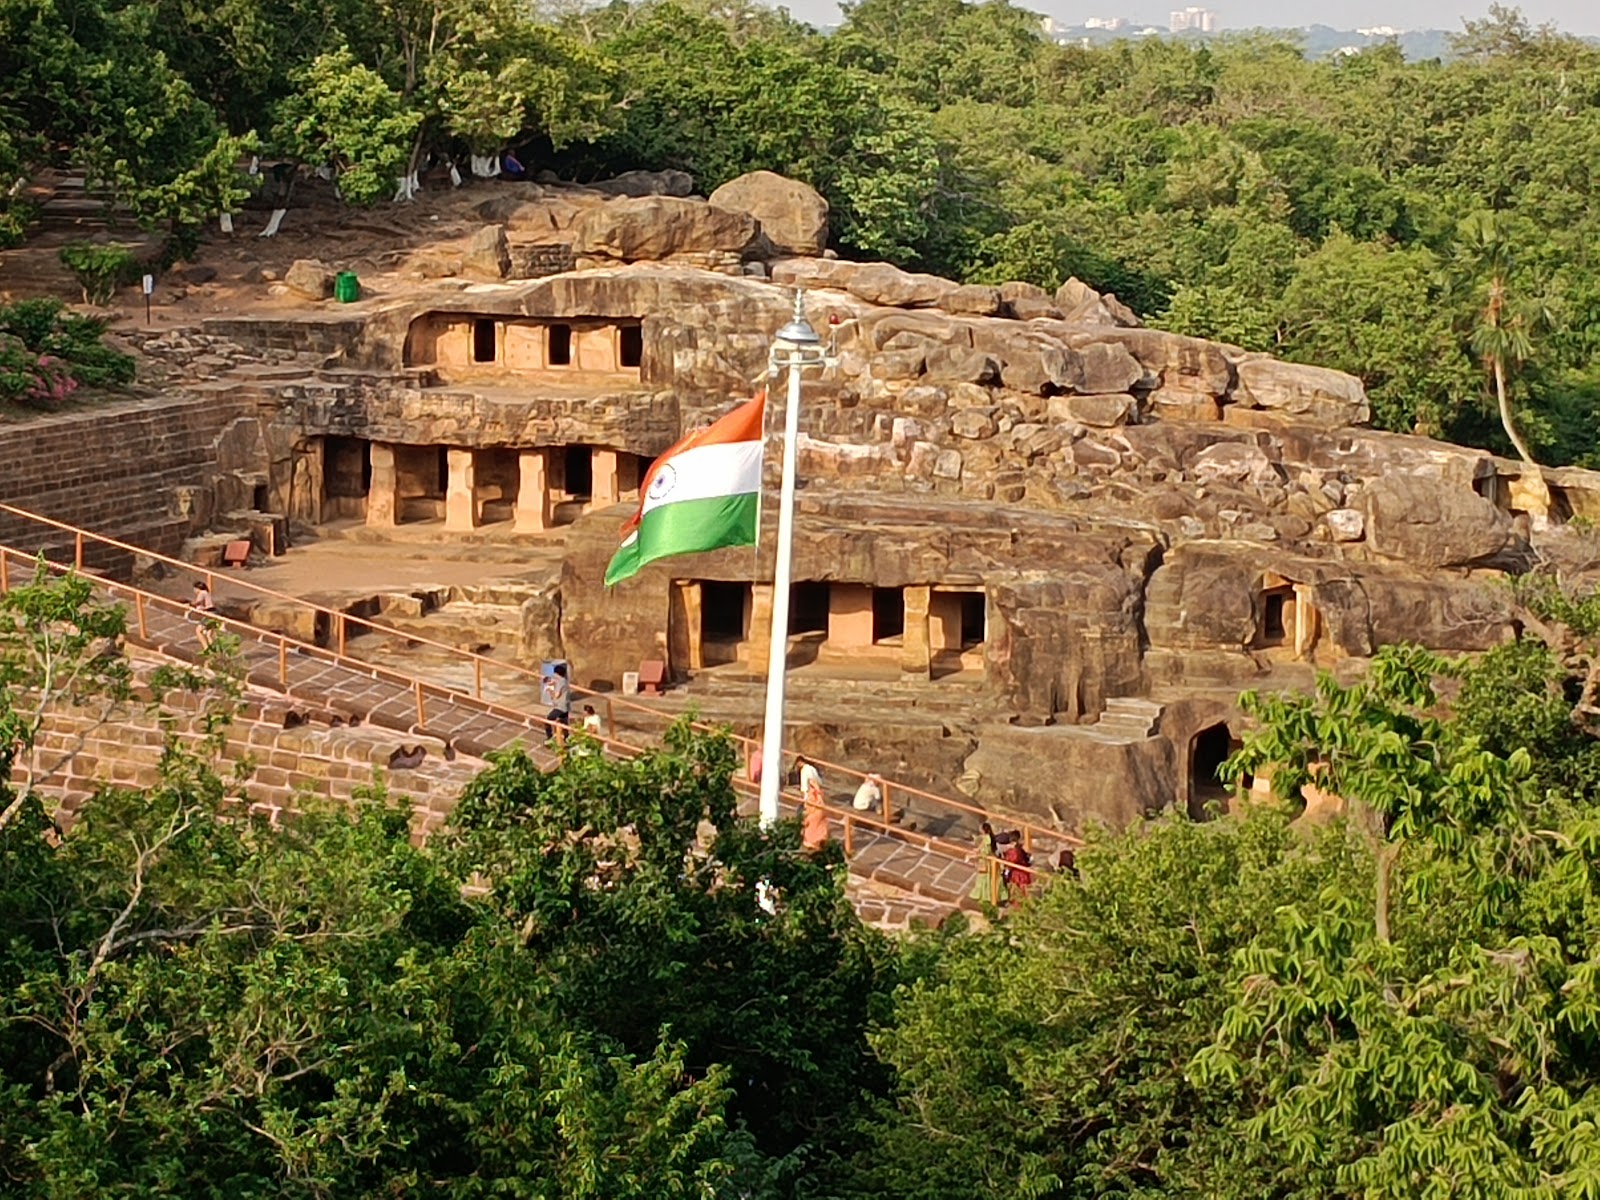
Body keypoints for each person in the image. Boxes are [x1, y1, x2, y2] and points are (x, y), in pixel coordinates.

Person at [797, 756, 829, 850]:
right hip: (817, 798)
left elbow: (804, 787)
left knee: (802, 816)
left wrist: (804, 796)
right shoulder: (812, 769)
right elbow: (819, 781)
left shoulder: (805, 770)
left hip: (810, 799)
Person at [970, 820, 1001, 906]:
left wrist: (977, 855)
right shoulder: (987, 838)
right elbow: (981, 847)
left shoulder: (987, 839)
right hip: (985, 860)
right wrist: (977, 850)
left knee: (984, 879)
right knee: (982, 878)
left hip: (986, 862)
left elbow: (986, 852)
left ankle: (985, 896)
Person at [542, 662, 571, 744]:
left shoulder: (561, 682)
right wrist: (548, 681)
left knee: (548, 720)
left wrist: (550, 691)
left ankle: (550, 737)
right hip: (565, 706)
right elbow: (553, 681)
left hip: (560, 707)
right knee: (564, 722)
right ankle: (567, 737)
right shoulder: (563, 680)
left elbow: (557, 695)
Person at [186, 579, 216, 650]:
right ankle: (213, 650)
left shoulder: (202, 593)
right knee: (209, 635)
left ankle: (206, 648)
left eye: (194, 589)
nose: (194, 591)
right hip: (213, 613)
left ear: (197, 588)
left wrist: (189, 604)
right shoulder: (206, 593)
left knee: (199, 631)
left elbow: (197, 602)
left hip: (209, 613)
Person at [1001, 838, 1034, 902]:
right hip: (1020, 872)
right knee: (1020, 890)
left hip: (1018, 874)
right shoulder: (1018, 850)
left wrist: (1005, 863)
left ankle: (1019, 904)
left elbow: (1012, 860)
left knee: (1018, 889)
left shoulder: (1015, 851)